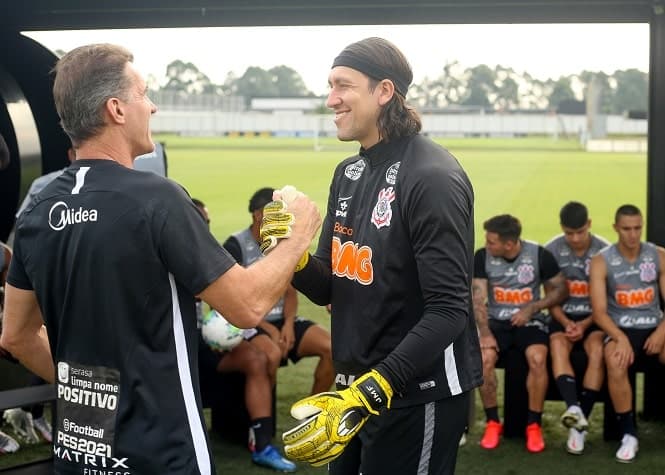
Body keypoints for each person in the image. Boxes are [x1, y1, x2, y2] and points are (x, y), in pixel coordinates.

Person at [0, 43, 320, 475]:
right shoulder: (158, 199)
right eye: (144, 94)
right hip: (162, 456)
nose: (151, 106)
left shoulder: (38, 211)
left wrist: (88, 392)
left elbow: (16, 336)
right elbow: (246, 307)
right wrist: (297, 236)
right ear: (116, 108)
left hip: (78, 456)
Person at [280, 37, 481, 475]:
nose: (331, 99)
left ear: (384, 91)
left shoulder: (432, 177)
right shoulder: (348, 173)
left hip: (415, 393)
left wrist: (376, 388)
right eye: (330, 86)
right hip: (352, 391)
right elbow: (334, 286)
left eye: (343, 86)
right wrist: (290, 254)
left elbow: (449, 310)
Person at [192, 197, 296, 472]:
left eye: (207, 222)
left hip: (203, 341)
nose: (205, 227)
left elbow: (228, 300)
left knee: (259, 359)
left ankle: (261, 443)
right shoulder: (168, 255)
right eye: (200, 222)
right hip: (170, 348)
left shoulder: (202, 255)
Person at [223, 187, 334, 395]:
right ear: (257, 215)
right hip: (251, 322)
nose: (278, 216)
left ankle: (312, 414)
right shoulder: (235, 245)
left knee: (332, 349)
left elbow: (290, 292)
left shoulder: (281, 241)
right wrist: (269, 328)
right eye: (271, 210)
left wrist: (289, 324)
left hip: (282, 321)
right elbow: (228, 299)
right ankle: (266, 415)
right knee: (271, 355)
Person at [473, 214, 567, 453]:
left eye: (492, 241)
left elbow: (561, 290)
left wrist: (533, 307)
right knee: (484, 360)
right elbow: (477, 299)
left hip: (531, 321)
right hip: (495, 322)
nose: (487, 244)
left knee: (537, 359)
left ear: (509, 243)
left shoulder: (539, 255)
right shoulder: (482, 257)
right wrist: (484, 332)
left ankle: (533, 425)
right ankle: (493, 422)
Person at [590, 204, 665, 463]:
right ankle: (628, 433)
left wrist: (661, 332)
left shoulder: (658, 255)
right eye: (626, 229)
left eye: (637, 228)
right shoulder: (601, 261)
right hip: (621, 328)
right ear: (615, 228)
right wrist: (620, 337)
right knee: (615, 359)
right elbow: (599, 312)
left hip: (655, 327)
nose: (633, 235)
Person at [544, 201, 609, 455]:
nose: (575, 238)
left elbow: (606, 300)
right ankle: (574, 408)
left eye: (580, 232)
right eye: (569, 233)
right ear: (562, 228)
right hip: (564, 316)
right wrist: (567, 322)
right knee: (558, 344)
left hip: (595, 317)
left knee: (597, 351)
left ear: (589, 225)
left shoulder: (604, 251)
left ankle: (578, 425)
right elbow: (550, 297)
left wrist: (585, 323)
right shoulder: (551, 250)